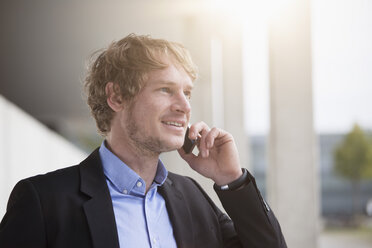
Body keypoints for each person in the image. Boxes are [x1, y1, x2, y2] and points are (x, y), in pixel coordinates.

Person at [0, 34, 287, 248]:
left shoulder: (192, 198)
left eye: (187, 93)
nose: (184, 106)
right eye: (166, 89)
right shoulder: (43, 201)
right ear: (116, 97)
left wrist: (232, 180)